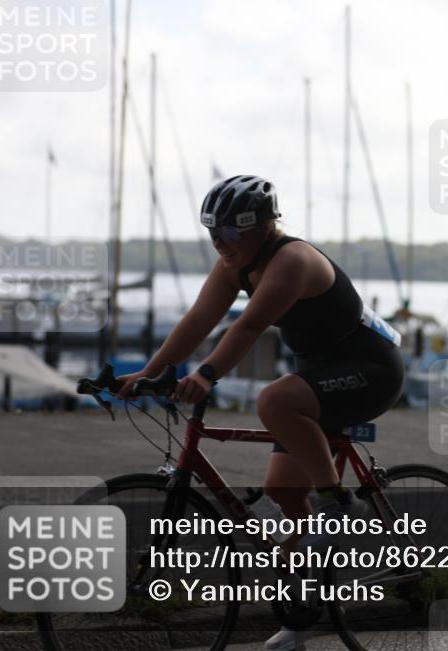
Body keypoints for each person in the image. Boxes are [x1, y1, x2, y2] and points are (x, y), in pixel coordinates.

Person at [116, 175, 405, 650]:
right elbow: (198, 320)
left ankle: (338, 504)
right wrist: (148, 373)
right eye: (213, 233)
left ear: (266, 226)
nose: (221, 243)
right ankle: (301, 613)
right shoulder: (235, 265)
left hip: (370, 371)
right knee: (283, 493)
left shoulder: (293, 260)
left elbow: (249, 327)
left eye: (233, 232)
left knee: (273, 399)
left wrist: (206, 374)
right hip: (321, 379)